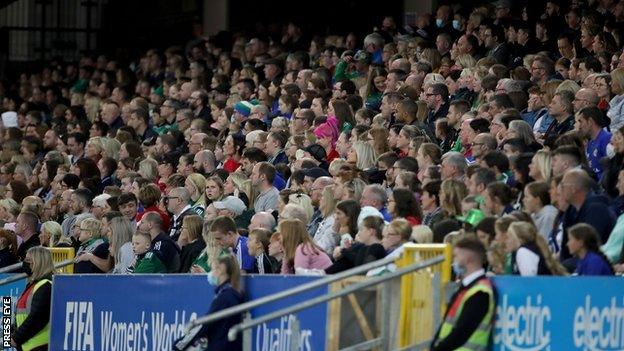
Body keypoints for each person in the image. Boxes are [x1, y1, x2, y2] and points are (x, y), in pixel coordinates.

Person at [431, 236, 495, 351]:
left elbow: (462, 331)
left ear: (467, 259)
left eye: (456, 256)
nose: (453, 261)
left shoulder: (481, 292)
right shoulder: (465, 288)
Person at [174, 254, 244, 351]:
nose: (210, 273)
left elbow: (204, 325)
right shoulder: (229, 294)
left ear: (220, 271)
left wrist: (179, 345)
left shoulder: (225, 297)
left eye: (213, 269)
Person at [11, 247, 54, 351]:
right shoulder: (32, 285)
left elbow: (36, 318)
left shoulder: (46, 286)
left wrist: (15, 338)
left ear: (38, 263)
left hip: (40, 345)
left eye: (28, 260)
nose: (24, 263)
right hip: (27, 345)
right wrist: (10, 335)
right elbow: (19, 317)